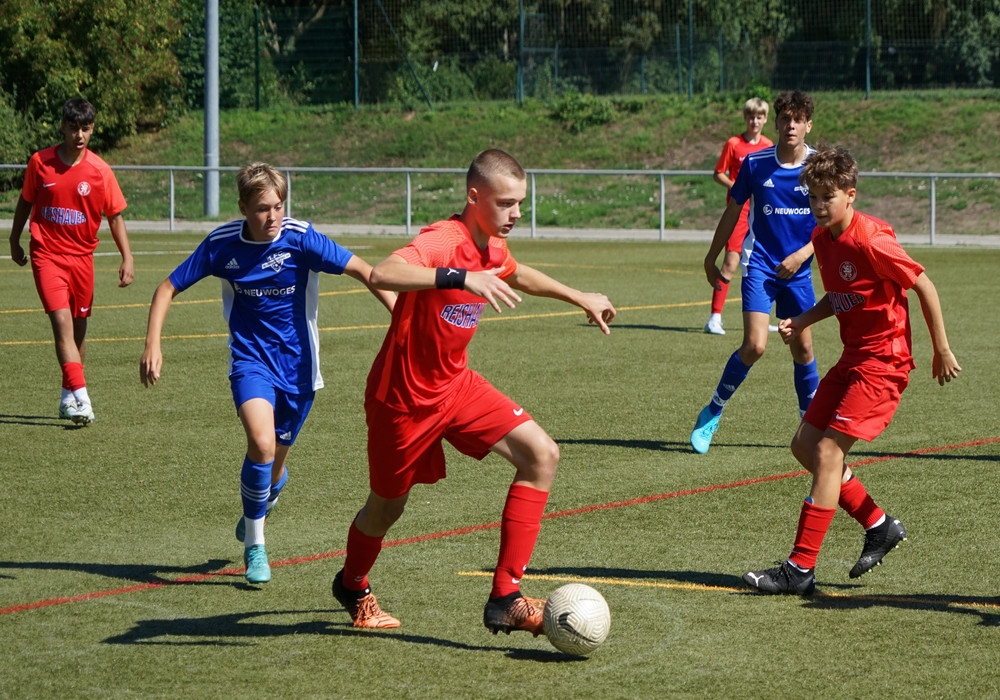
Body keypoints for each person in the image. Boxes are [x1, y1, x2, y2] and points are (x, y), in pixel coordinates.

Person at [331, 148, 617, 633]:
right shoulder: (445, 239)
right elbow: (384, 273)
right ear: (474, 196)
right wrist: (462, 276)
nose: (517, 214)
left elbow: (516, 272)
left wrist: (579, 295)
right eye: (506, 203)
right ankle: (352, 583)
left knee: (542, 455)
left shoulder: (493, 244)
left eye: (520, 203)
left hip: (457, 387)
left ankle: (505, 595)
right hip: (401, 400)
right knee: (386, 508)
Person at [139, 162, 395, 585]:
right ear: (243, 207)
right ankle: (255, 544)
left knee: (273, 463)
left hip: (299, 369)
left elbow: (366, 272)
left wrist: (399, 319)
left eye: (278, 206)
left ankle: (268, 493)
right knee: (260, 443)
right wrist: (153, 342)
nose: (273, 216)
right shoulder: (222, 245)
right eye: (262, 209)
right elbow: (167, 287)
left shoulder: (300, 238)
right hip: (250, 361)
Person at [742, 146, 961, 594]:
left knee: (827, 453)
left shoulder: (872, 239)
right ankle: (879, 525)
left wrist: (941, 347)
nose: (819, 205)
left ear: (850, 195)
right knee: (804, 445)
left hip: (884, 362)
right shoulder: (822, 240)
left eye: (828, 197)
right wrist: (803, 319)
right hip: (853, 357)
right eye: (813, 197)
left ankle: (800, 568)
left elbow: (923, 283)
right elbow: (843, 295)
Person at [690, 90, 821, 455]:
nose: (791, 125)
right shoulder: (755, 163)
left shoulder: (818, 167)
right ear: (776, 122)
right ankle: (712, 412)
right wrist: (711, 255)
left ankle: (807, 426)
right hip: (760, 265)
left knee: (804, 347)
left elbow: (832, 222)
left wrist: (803, 255)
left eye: (798, 119)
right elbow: (733, 212)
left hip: (798, 271)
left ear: (808, 125)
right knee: (755, 345)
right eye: (785, 118)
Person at [8, 97, 134, 425]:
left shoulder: (100, 171)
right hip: (46, 254)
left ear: (92, 129)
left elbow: (115, 217)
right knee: (61, 323)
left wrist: (127, 256)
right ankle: (83, 398)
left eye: (86, 128)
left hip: (82, 260)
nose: (79, 134)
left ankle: (68, 397)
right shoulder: (40, 162)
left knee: (78, 331)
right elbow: (25, 202)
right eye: (74, 127)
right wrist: (14, 238)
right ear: (63, 126)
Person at [704, 97, 773, 336]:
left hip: (762, 213)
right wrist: (738, 186)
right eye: (751, 117)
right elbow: (717, 174)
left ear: (765, 119)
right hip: (739, 211)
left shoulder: (769, 145)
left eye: (759, 117)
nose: (755, 121)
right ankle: (714, 317)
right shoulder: (734, 144)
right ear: (746, 118)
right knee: (731, 263)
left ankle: (763, 318)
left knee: (763, 262)